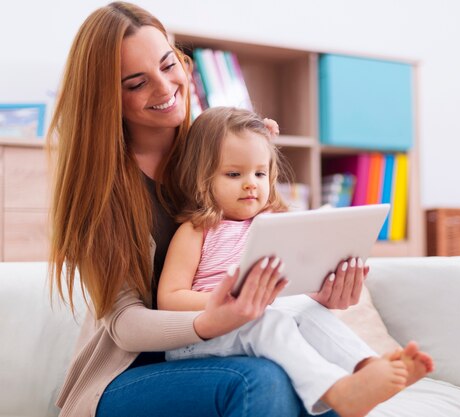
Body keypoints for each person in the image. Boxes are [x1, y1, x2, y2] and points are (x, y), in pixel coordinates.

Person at [47, 3, 371, 416]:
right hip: (128, 376)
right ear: (105, 98)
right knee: (263, 379)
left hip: (229, 344)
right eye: (136, 83)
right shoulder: (100, 189)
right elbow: (125, 325)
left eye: (168, 65)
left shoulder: (222, 151)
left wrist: (318, 292)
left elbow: (271, 250)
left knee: (322, 383)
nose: (164, 89)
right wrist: (210, 320)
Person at [157, 106, 435, 417]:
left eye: (260, 173)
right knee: (266, 320)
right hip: (198, 341)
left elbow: (289, 294)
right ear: (201, 177)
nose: (251, 184)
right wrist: (225, 304)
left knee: (307, 310)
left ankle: (368, 367)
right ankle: (336, 390)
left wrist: (319, 291)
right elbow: (168, 299)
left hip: (255, 321)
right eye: (234, 174)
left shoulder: (273, 225)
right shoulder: (196, 230)